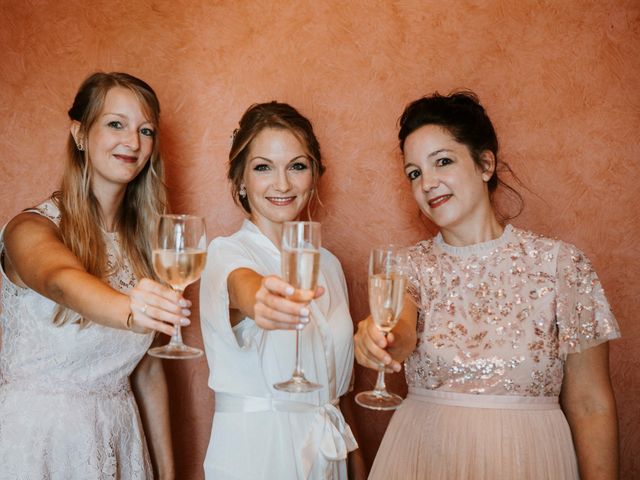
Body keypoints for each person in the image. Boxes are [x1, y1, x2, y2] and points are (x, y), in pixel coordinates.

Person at [354, 91, 620, 479]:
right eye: (414, 173)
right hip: (425, 458)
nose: (427, 183)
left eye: (442, 161)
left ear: (485, 163)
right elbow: (399, 330)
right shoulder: (406, 266)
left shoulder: (561, 264)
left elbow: (591, 404)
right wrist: (378, 338)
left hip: (529, 462)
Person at [0, 72, 190, 479]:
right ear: (80, 134)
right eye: (115, 124)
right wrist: (130, 309)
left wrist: (168, 474)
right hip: (36, 440)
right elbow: (59, 279)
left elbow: (147, 368)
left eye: (145, 130)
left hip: (118, 435)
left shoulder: (147, 245)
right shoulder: (30, 228)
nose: (133, 142)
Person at [199, 102, 363, 479]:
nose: (283, 184)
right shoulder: (225, 254)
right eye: (263, 168)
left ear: (315, 174)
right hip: (258, 453)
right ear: (240, 180)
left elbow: (337, 399)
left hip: (329, 456)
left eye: (297, 166)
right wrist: (262, 299)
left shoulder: (330, 265)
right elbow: (244, 288)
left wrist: (357, 465)